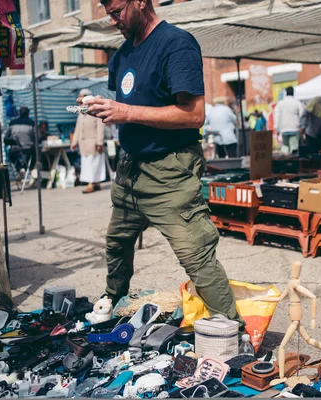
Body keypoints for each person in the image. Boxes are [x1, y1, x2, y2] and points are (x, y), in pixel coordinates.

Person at [82, 0, 243, 329]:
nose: (113, 21)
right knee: (117, 241)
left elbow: (194, 115)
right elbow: (130, 103)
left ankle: (231, 328)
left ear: (140, 1)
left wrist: (126, 113)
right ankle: (112, 300)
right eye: (108, 14)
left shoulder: (176, 43)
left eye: (117, 11)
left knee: (195, 253)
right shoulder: (123, 53)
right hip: (130, 169)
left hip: (170, 170)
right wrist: (97, 106)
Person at [71, 89, 107, 194]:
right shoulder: (81, 112)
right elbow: (78, 128)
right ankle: (96, 183)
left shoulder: (96, 110)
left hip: (94, 143)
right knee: (88, 164)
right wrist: (74, 142)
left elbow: (100, 126)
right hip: (84, 143)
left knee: (94, 163)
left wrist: (99, 142)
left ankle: (91, 184)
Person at [5, 106, 36, 177]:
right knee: (35, 153)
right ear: (28, 113)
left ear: (19, 113)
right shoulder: (32, 123)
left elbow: (6, 138)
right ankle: (29, 170)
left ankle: (20, 169)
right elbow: (37, 137)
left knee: (11, 155)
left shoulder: (12, 123)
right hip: (28, 150)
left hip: (15, 150)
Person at [274, 86, 304, 155]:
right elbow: (302, 115)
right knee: (294, 148)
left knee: (285, 148)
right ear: (293, 93)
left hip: (283, 129)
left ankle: (285, 163)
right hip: (295, 128)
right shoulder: (297, 103)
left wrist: (277, 129)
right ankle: (293, 164)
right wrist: (302, 127)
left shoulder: (280, 104)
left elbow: (277, 116)